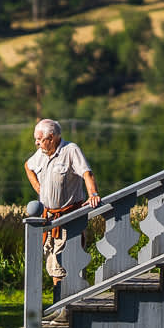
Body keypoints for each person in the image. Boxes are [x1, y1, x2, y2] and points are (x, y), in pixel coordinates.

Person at [25, 118, 99, 289]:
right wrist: (39, 189)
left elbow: (87, 173)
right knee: (52, 262)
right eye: (35, 139)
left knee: (67, 263)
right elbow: (28, 167)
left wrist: (93, 194)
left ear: (51, 138)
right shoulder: (41, 154)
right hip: (49, 218)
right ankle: (60, 302)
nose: (36, 143)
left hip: (68, 218)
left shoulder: (70, 150)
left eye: (39, 139)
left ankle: (68, 303)